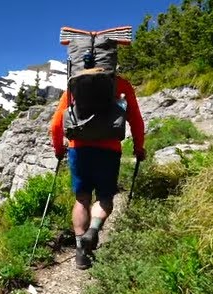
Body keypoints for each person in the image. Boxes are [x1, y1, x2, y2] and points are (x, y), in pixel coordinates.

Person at [48, 77, 145, 269]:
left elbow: (56, 124)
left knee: (82, 198)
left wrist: (59, 149)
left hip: (79, 149)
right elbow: (135, 119)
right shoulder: (121, 84)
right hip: (109, 150)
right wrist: (139, 147)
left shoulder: (76, 84)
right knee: (104, 198)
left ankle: (80, 251)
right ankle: (93, 230)